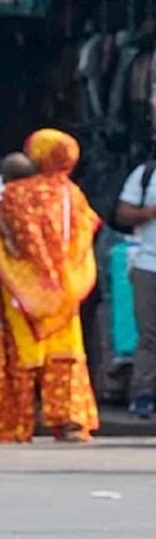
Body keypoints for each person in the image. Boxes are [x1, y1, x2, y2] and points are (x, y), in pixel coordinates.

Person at [0, 130, 101, 443]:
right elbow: (83, 242)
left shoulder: (15, 195)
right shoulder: (75, 196)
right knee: (65, 359)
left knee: (10, 357)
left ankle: (6, 423)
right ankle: (69, 422)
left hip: (17, 294)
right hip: (64, 296)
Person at [113, 158, 156, 419]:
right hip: (148, 264)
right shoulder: (145, 173)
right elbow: (123, 213)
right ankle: (143, 394)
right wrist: (150, 212)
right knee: (149, 334)